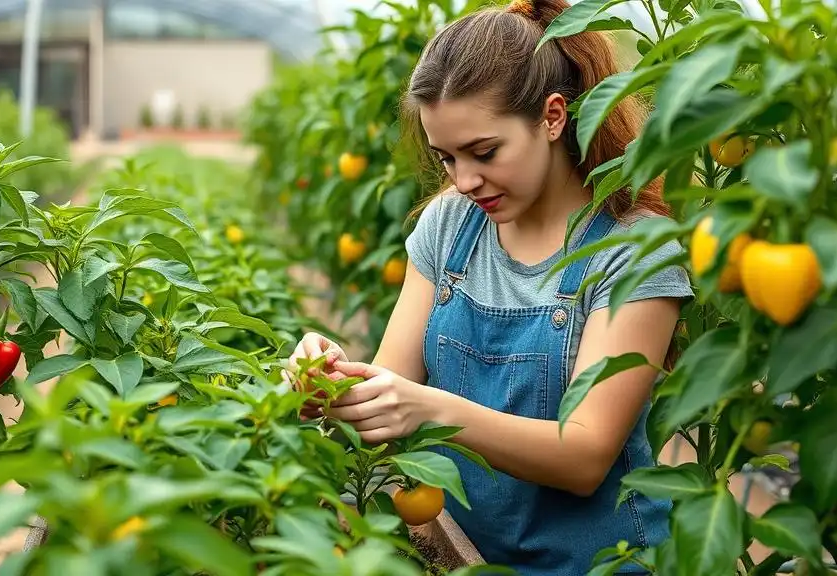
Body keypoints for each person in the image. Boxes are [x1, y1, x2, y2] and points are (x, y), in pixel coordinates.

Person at [286, 0, 694, 573]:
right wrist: (327, 379)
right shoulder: (451, 227)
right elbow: (393, 386)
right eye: (446, 158)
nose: (464, 180)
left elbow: (585, 456)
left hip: (600, 562)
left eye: (484, 152)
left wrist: (429, 411)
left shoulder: (633, 251)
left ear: (553, 117)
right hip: (471, 554)